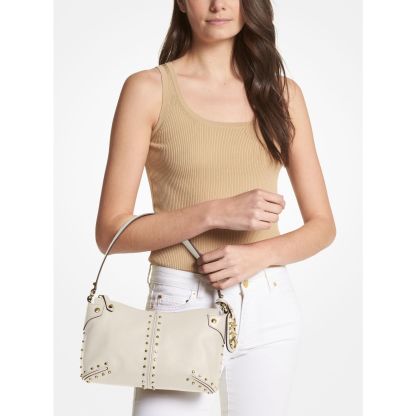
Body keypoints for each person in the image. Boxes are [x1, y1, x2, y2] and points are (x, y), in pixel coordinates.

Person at [95, 1, 336, 415]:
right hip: (179, 302)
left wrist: (256, 256)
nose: (219, 4)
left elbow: (323, 225)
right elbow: (110, 232)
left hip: (267, 302)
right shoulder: (148, 90)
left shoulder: (282, 94)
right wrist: (214, 213)